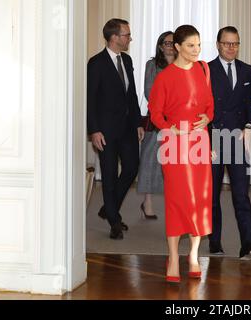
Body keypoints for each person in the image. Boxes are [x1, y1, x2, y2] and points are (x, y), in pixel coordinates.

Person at [148, 25, 214, 282]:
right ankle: (173, 256)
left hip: (199, 141)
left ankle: (194, 255)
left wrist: (208, 117)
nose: (196, 50)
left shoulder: (203, 69)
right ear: (177, 47)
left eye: (198, 45)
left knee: (199, 200)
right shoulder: (164, 77)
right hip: (174, 143)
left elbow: (210, 104)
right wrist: (168, 128)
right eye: (190, 46)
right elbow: (155, 112)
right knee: (177, 199)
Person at [208, 26, 251, 260]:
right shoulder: (205, 70)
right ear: (218, 44)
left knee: (241, 193)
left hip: (236, 140)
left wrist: (249, 127)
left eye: (235, 43)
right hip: (212, 140)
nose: (231, 48)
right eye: (227, 43)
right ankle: (214, 243)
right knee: (212, 195)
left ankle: (248, 243)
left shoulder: (247, 71)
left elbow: (249, 103)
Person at [87, 19, 144, 240]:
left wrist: (138, 122)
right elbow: (90, 100)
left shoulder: (127, 60)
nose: (130, 38)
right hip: (106, 131)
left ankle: (108, 209)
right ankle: (114, 221)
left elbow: (132, 94)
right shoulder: (96, 63)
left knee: (131, 168)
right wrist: (94, 130)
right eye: (127, 35)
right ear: (114, 37)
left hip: (128, 128)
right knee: (109, 175)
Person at [137, 31, 175, 219]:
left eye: (172, 42)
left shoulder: (183, 65)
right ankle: (147, 203)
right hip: (157, 119)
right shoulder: (152, 65)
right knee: (150, 162)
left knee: (173, 166)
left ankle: (174, 204)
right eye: (166, 42)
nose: (169, 45)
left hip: (177, 122)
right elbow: (149, 91)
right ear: (160, 46)